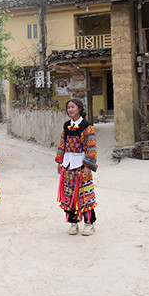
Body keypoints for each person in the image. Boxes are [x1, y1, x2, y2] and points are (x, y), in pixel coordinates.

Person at [56, 98, 98, 236]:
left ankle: (89, 224)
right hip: (68, 165)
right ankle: (73, 223)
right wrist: (60, 162)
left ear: (79, 109)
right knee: (69, 194)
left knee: (84, 195)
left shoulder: (87, 127)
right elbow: (62, 144)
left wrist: (88, 165)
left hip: (81, 164)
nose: (70, 110)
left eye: (73, 107)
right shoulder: (66, 126)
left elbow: (91, 147)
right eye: (68, 107)